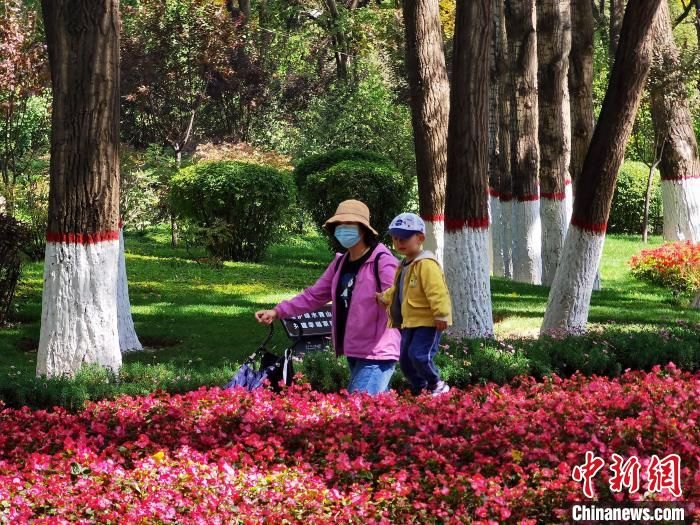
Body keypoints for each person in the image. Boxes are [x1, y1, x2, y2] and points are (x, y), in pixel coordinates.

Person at [255, 199, 400, 395]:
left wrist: (388, 299)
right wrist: (277, 311)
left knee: (357, 412)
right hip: (355, 349)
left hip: (378, 351)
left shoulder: (383, 261)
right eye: (338, 225)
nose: (342, 230)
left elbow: (399, 297)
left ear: (363, 229)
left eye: (349, 225)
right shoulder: (341, 263)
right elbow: (313, 295)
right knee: (376, 416)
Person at [377, 212, 452, 396]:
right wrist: (384, 297)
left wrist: (441, 314)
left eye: (404, 238)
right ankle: (421, 388)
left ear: (420, 238)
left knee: (419, 355)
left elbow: (437, 291)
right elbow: (398, 289)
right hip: (409, 322)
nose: (399, 242)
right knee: (404, 360)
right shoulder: (403, 265)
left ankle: (436, 384)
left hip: (427, 322)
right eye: (395, 238)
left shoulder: (426, 264)